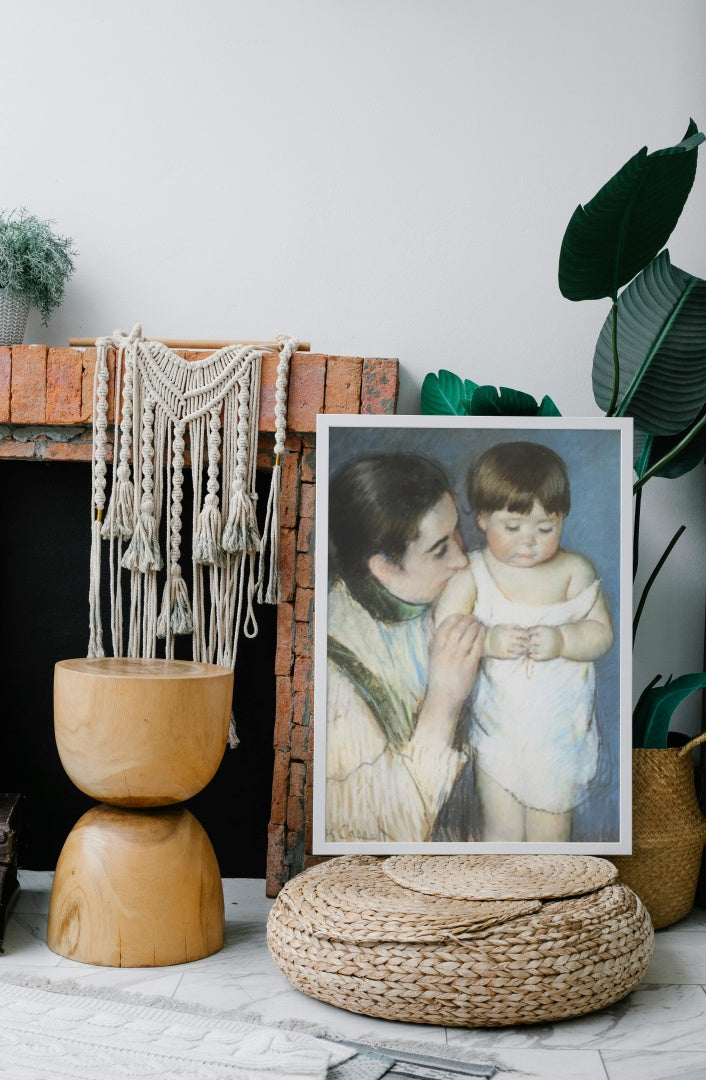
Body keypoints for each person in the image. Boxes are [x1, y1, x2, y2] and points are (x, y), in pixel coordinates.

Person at [435, 440, 614, 843]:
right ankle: (502, 898)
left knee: (551, 833)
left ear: (562, 519)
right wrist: (489, 639)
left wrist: (564, 639)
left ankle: (550, 900)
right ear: (482, 519)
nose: (529, 541)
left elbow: (601, 633)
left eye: (545, 528)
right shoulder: (475, 572)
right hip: (498, 732)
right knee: (501, 830)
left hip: (560, 738)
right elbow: (444, 630)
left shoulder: (573, 570)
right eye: (512, 528)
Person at [325, 452, 483, 844]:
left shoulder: (458, 596)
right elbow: (386, 831)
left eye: (457, 534)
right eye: (439, 549)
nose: (462, 559)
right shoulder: (334, 676)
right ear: (383, 568)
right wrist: (442, 703)